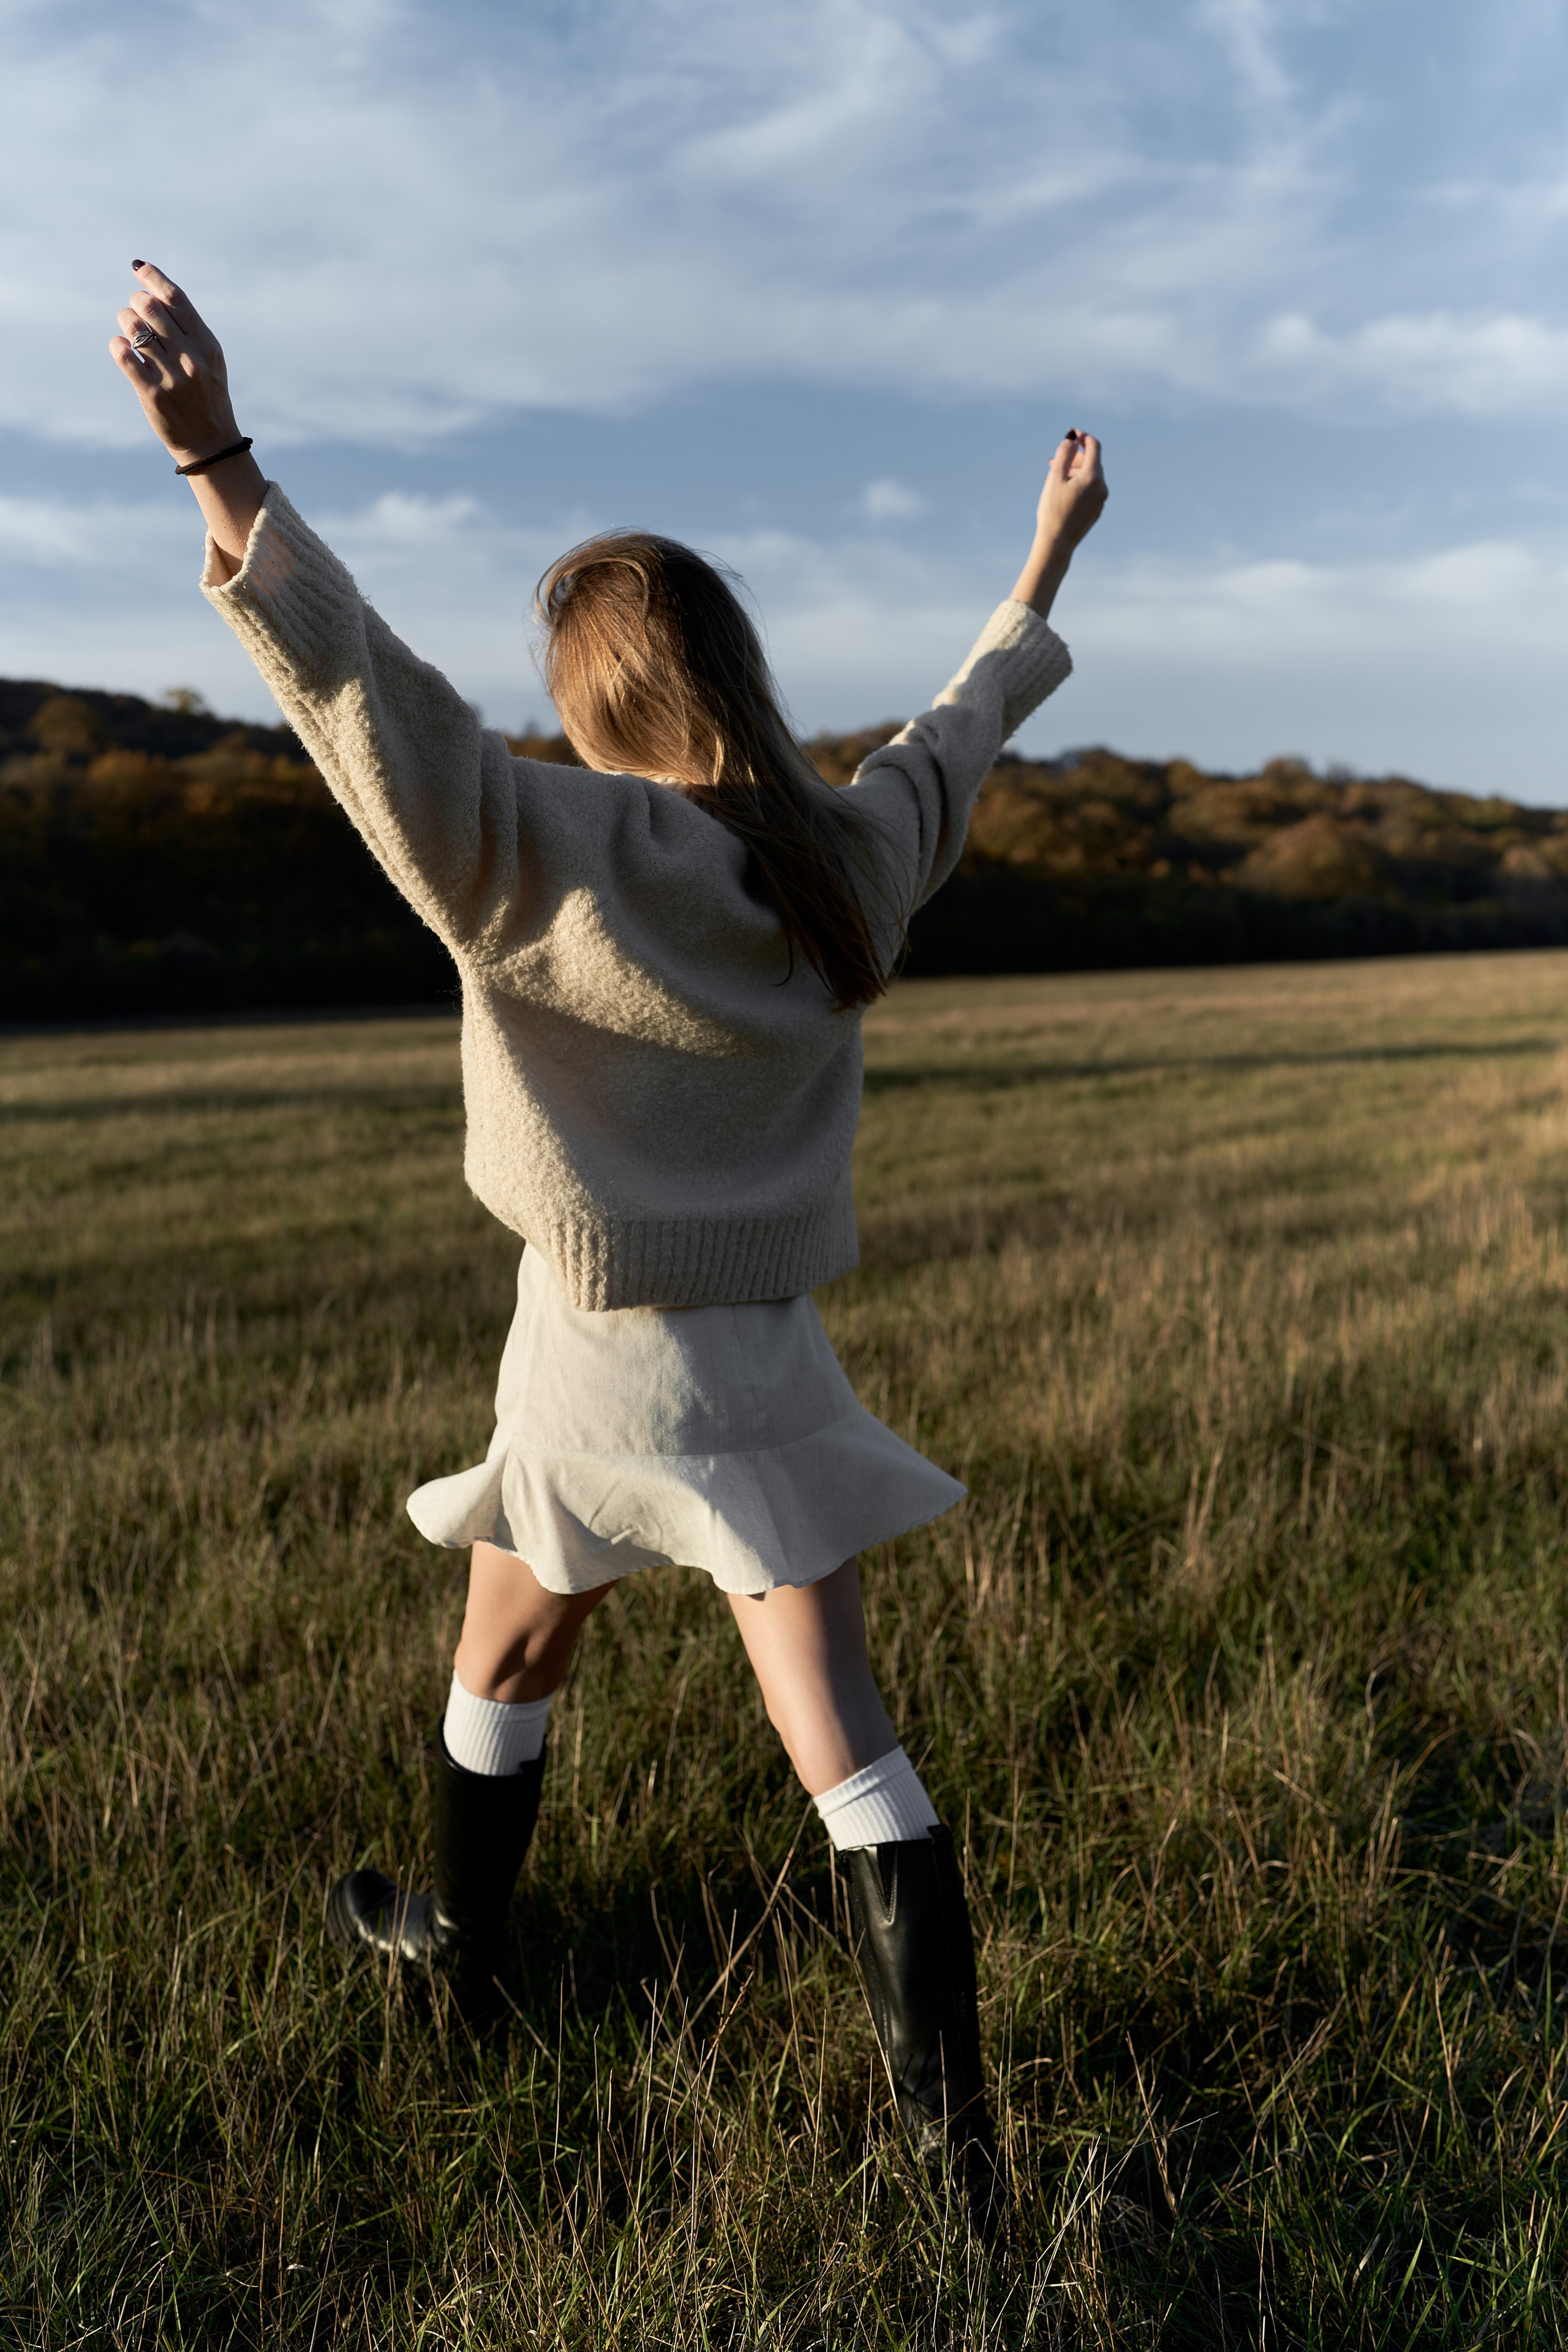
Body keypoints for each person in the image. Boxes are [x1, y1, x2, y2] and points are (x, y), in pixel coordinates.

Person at [109, 260, 1107, 2236]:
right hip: (767, 1367)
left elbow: (362, 694)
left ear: (589, 705)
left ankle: (463, 1967)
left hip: (588, 1363)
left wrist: (217, 455)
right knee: (848, 1753)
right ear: (730, 667)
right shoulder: (846, 857)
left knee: (510, 1641)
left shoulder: (538, 848)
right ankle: (959, 2167)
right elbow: (963, 730)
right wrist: (1044, 560)